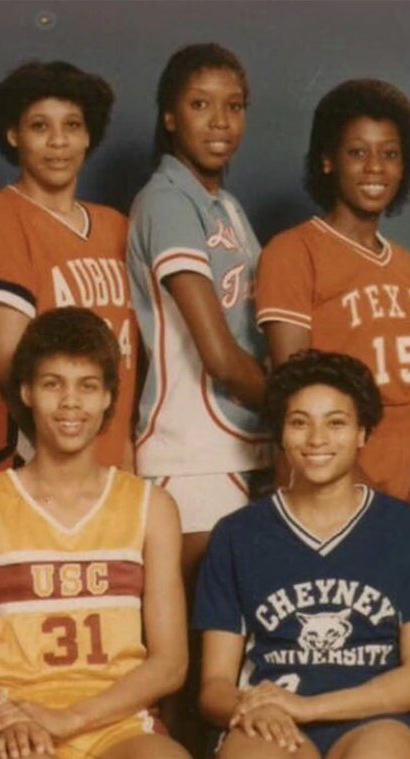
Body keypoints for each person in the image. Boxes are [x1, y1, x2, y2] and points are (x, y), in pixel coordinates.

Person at [0, 307, 198, 759]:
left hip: (118, 730)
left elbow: (171, 662)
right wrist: (3, 716)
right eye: (54, 385)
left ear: (109, 398)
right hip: (18, 732)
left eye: (88, 387)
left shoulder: (150, 507)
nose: (71, 403)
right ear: (28, 393)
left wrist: (72, 718)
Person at [194, 350, 410, 759]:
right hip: (271, 724)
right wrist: (251, 706)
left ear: (362, 433)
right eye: (299, 422)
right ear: (280, 433)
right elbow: (213, 688)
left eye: (336, 423)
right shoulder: (238, 535)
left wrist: (310, 707)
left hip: (380, 723)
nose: (316, 440)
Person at [127, 42, 271, 584]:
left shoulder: (225, 205)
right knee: (195, 635)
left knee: (232, 641)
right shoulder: (166, 200)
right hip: (190, 453)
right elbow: (220, 357)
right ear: (169, 116)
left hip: (240, 444)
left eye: (234, 106)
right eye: (200, 105)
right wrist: (297, 409)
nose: (221, 122)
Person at [256, 79, 410, 503]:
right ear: (327, 160)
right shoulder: (293, 251)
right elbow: (293, 391)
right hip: (327, 487)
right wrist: (364, 499)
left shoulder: (408, 266)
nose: (375, 167)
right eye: (358, 152)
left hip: (404, 489)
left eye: (389, 154)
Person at [0, 60, 135, 476]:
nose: (59, 141)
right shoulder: (1, 216)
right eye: (40, 126)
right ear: (13, 134)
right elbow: (11, 368)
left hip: (109, 457)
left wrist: (123, 452)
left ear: (88, 135)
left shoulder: (116, 226)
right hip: (35, 458)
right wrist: (63, 471)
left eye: (72, 126)